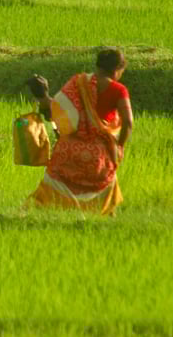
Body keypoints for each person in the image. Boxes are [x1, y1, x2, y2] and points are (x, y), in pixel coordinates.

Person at [24, 47, 134, 216]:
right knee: (108, 183)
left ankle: (35, 214)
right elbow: (128, 123)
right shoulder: (119, 90)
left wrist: (44, 97)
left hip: (68, 151)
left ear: (98, 66)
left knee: (53, 184)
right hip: (100, 153)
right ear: (117, 70)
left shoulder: (78, 82)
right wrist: (119, 147)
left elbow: (58, 110)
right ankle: (106, 217)